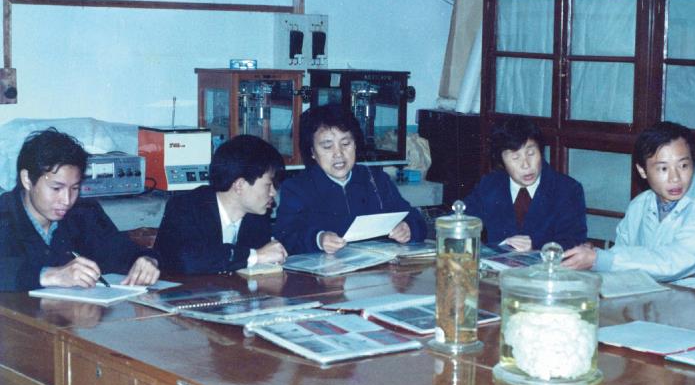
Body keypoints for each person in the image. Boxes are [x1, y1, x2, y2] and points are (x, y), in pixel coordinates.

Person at [563, 121, 695, 290]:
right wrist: (592, 259)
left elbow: (672, 262)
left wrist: (600, 259)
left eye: (683, 165)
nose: (675, 178)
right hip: (650, 299)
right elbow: (622, 258)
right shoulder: (639, 205)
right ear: (642, 170)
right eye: (663, 168)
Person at [0, 128, 160, 290]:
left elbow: (121, 250)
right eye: (56, 188)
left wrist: (146, 260)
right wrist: (50, 275)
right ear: (27, 180)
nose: (67, 200)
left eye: (75, 188)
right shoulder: (5, 214)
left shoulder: (83, 211)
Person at [274, 104, 427, 254]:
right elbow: (286, 236)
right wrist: (318, 239)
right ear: (313, 152)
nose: (338, 153)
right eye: (327, 147)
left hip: (376, 265)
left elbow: (416, 220)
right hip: (326, 268)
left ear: (355, 144)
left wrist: (408, 228)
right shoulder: (297, 188)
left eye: (346, 143)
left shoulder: (376, 180)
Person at [154, 134, 287, 274]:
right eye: (268, 185)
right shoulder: (186, 207)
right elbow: (188, 260)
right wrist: (255, 256)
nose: (273, 193)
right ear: (240, 185)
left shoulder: (257, 216)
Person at [463, 116, 587, 251]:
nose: (526, 165)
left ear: (541, 152)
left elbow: (574, 242)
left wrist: (535, 248)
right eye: (515, 157)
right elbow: (461, 221)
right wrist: (500, 245)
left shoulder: (567, 190)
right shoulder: (490, 185)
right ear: (501, 162)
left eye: (531, 153)